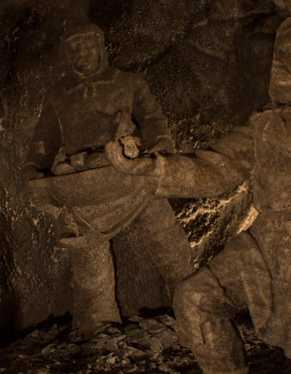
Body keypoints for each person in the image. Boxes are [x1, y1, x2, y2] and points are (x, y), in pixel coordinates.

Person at [107, 17, 291, 374]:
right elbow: (216, 167)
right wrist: (149, 168)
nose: (280, 63)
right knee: (196, 297)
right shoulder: (265, 123)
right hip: (267, 238)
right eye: (278, 54)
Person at [25, 23, 191, 340]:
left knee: (168, 243)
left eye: (87, 47)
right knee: (89, 258)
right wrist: (33, 170)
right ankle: (100, 326)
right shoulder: (60, 97)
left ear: (101, 48)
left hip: (132, 173)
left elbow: (155, 121)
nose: (82, 55)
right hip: (87, 184)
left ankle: (195, 305)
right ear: (66, 56)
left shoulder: (127, 83)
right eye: (74, 50)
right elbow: (42, 142)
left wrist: (157, 150)